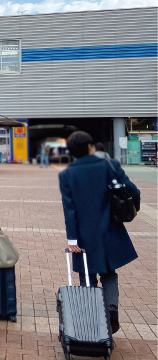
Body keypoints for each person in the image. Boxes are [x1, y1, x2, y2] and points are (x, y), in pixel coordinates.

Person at [59, 131, 140, 334]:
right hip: (109, 230)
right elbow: (132, 190)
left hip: (84, 235)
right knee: (109, 273)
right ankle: (111, 309)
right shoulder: (107, 165)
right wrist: (132, 208)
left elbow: (69, 209)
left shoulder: (67, 174)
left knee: (87, 277)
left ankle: (92, 319)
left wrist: (72, 239)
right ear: (89, 147)